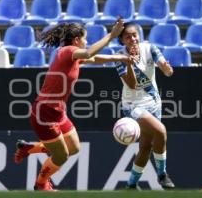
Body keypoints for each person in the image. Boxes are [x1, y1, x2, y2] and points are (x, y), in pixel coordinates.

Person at [14, 20, 133, 191]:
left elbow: (94, 57)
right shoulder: (68, 51)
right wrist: (111, 36)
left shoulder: (72, 56)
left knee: (74, 148)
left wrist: (119, 58)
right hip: (45, 113)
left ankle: (29, 148)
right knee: (61, 155)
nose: (87, 42)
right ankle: (41, 184)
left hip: (58, 112)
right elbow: (88, 53)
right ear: (77, 40)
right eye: (85, 39)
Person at [115, 23, 175, 190]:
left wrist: (167, 69)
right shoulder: (119, 57)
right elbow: (133, 84)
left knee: (145, 147)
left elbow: (165, 67)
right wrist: (130, 63)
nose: (133, 39)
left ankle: (131, 184)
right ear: (122, 40)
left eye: (135, 35)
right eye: (128, 36)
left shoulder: (150, 48)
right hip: (133, 106)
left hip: (154, 103)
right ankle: (162, 174)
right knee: (161, 131)